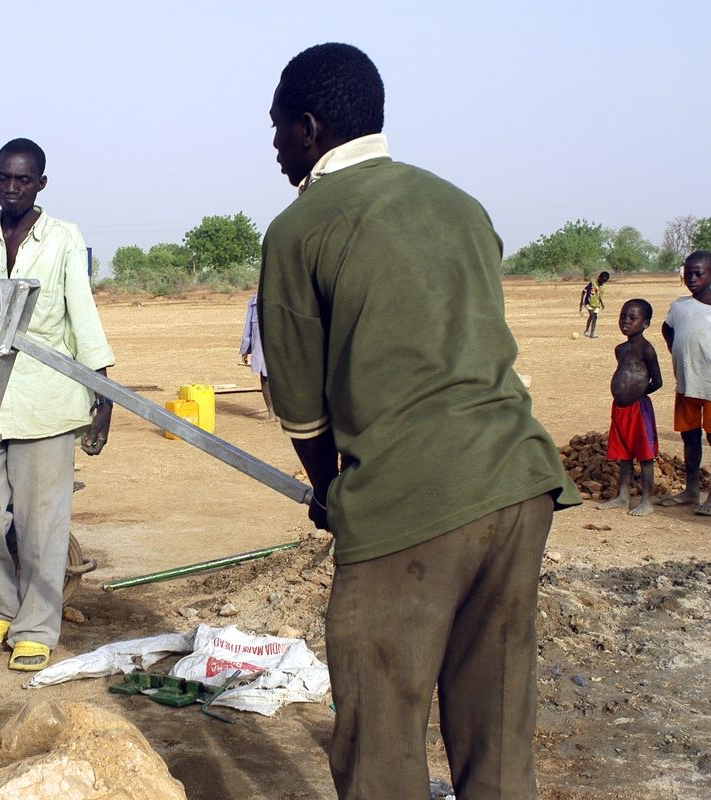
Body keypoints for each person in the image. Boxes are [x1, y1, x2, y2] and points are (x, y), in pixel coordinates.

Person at [257, 43, 579, 799]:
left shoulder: (299, 228)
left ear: (309, 128)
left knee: (380, 741)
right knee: (497, 729)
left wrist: (330, 493)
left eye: (276, 127)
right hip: (518, 482)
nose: (272, 145)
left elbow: (301, 408)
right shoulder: (460, 204)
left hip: (410, 502)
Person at [0, 138, 115, 672]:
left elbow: (83, 318)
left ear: (40, 184)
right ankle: (3, 609)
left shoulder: (64, 238)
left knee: (40, 524)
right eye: (3, 177)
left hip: (46, 399)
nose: (11, 188)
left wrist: (104, 399)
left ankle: (36, 627)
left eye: (22, 179)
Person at [598, 299, 662, 515]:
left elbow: (657, 381)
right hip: (620, 409)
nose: (625, 321)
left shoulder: (647, 349)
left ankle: (646, 501)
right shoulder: (620, 349)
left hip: (638, 409)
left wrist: (637, 393)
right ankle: (623, 496)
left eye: (632, 318)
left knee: (645, 456)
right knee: (624, 454)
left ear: (646, 323)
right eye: (623, 317)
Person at [661, 250, 711, 514]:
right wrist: (676, 351)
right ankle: (691, 491)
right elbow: (666, 328)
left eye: (698, 274)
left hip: (710, 386)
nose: (691, 279)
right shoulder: (680, 306)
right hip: (687, 384)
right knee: (690, 436)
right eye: (688, 274)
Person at [239, 293, 275, 420]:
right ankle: (271, 413)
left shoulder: (284, 298)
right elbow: (248, 328)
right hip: (261, 348)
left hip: (280, 348)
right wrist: (245, 349)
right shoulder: (254, 301)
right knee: (265, 378)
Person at [580, 271, 610, 337]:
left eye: (604, 281)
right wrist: (581, 302)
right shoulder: (592, 284)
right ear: (599, 278)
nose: (602, 282)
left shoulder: (602, 287)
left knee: (595, 318)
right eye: (602, 280)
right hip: (588, 302)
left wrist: (602, 303)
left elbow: (599, 296)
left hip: (596, 304)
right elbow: (584, 291)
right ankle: (587, 330)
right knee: (592, 315)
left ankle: (592, 333)